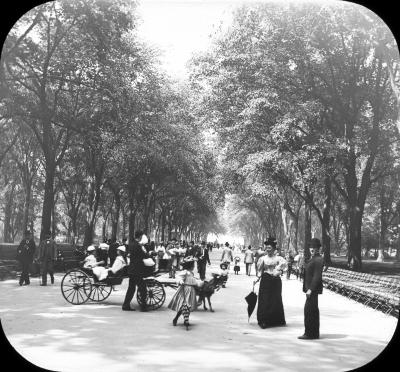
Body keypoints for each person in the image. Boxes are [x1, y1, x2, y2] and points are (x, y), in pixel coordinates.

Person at [256, 238, 287, 329]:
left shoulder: (279, 259)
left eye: (270, 248)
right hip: (265, 280)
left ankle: (275, 320)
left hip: (275, 281)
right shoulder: (263, 259)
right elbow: (260, 270)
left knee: (275, 299)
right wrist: (257, 278)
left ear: (274, 248)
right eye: (267, 248)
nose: (268, 249)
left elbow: (284, 269)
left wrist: (279, 272)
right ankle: (263, 321)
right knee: (264, 299)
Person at [298, 238, 324, 340]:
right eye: (311, 247)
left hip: (312, 290)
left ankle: (309, 333)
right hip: (310, 290)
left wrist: (310, 289)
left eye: (315, 247)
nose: (312, 249)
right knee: (311, 311)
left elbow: (317, 277)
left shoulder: (318, 259)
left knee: (309, 311)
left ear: (318, 249)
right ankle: (313, 333)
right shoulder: (312, 258)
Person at [169, 256, 203, 326]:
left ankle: (186, 320)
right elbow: (179, 277)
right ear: (189, 266)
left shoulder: (191, 273)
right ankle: (176, 318)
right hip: (185, 290)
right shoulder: (185, 272)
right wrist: (180, 281)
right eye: (193, 265)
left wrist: (199, 282)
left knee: (189, 306)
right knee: (184, 305)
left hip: (191, 290)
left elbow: (194, 281)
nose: (193, 267)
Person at [122, 231, 149, 311]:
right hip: (137, 270)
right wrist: (149, 254)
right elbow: (143, 255)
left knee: (131, 288)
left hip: (131, 269)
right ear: (140, 236)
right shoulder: (137, 245)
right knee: (143, 288)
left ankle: (125, 305)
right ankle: (143, 307)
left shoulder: (131, 244)